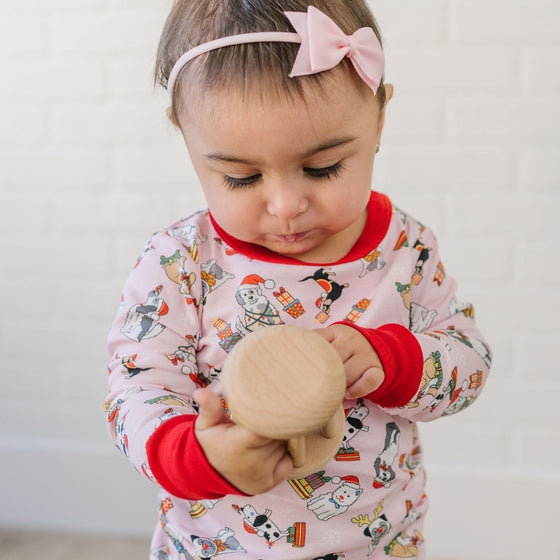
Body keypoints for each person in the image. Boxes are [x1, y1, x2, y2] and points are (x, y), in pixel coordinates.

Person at [105, 1, 492, 558]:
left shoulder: (405, 250)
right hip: (220, 547)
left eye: (322, 168)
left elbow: (468, 360)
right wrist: (197, 455)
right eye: (241, 177)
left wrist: (393, 359)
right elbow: (135, 388)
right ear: (187, 139)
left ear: (379, 119)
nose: (286, 206)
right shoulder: (182, 262)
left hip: (378, 544)